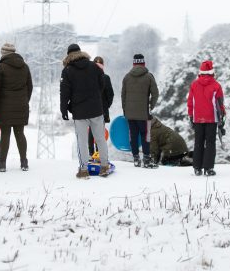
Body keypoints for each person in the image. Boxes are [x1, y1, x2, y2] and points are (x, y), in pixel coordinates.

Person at [60, 43, 110, 178]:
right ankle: (104, 166)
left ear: (69, 55)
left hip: (79, 112)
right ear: (80, 52)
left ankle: (83, 170)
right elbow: (102, 84)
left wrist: (64, 109)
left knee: (81, 141)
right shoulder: (94, 66)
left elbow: (64, 92)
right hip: (96, 109)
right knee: (100, 139)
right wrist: (95, 97)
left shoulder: (68, 70)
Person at [0, 43, 33, 172]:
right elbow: (30, 87)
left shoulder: (1, 67)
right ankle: (24, 162)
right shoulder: (24, 66)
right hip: (21, 105)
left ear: (4, 53)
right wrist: (24, 100)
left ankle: (2, 164)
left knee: (5, 134)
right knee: (20, 133)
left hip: (5, 105)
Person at [187, 60, 225, 176]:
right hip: (211, 118)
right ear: (212, 72)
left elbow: (190, 102)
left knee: (198, 142)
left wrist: (191, 116)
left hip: (198, 118)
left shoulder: (194, 84)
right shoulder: (216, 86)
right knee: (210, 143)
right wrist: (222, 116)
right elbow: (220, 103)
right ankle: (208, 168)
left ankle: (197, 168)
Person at [121, 53, 159, 169]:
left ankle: (136, 159)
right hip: (144, 113)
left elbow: (123, 95)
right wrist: (150, 106)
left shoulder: (127, 77)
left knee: (133, 135)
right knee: (145, 135)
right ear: (143, 63)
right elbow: (155, 93)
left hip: (130, 114)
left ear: (134, 63)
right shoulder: (149, 76)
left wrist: (125, 111)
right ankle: (146, 159)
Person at [88, 56, 114, 157]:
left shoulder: (88, 78)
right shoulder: (106, 78)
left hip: (90, 109)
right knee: (100, 132)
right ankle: (99, 153)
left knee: (91, 131)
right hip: (102, 110)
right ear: (103, 66)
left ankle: (91, 153)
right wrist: (106, 106)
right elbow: (110, 95)